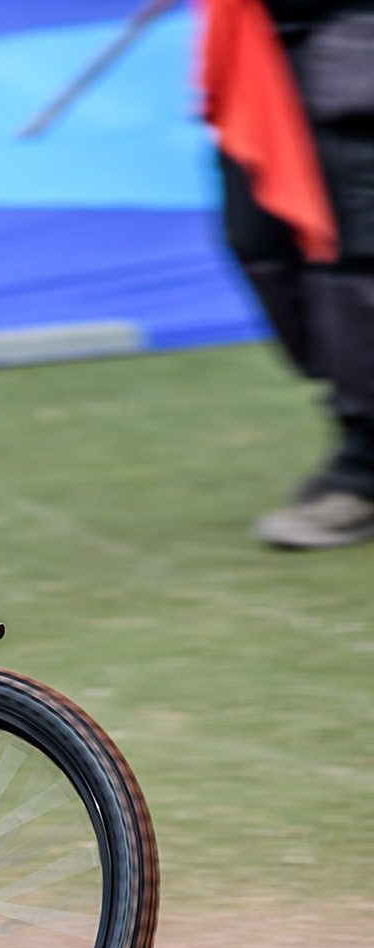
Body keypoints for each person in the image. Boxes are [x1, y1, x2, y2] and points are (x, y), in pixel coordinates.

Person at [216, 1, 374, 548]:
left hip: (354, 33)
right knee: (261, 242)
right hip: (254, 40)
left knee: (353, 260)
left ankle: (362, 472)